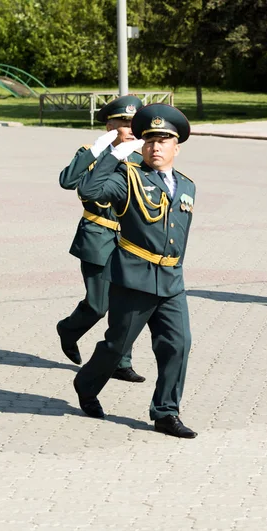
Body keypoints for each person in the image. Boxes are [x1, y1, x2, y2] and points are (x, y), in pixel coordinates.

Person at [73, 103, 197, 439]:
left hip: (172, 281)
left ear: (177, 147)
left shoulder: (187, 186)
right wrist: (113, 157)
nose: (156, 147)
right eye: (150, 141)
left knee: (178, 344)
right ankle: (86, 384)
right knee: (116, 347)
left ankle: (165, 412)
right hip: (134, 280)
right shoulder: (127, 178)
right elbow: (89, 190)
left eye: (163, 141)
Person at [57, 95, 145, 383]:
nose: (131, 128)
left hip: (130, 241)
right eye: (124, 123)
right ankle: (68, 329)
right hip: (97, 235)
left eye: (135, 122)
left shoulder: (141, 156)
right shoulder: (91, 151)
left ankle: (121, 362)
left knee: (127, 303)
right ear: (110, 125)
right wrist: (96, 150)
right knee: (98, 305)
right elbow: (68, 181)